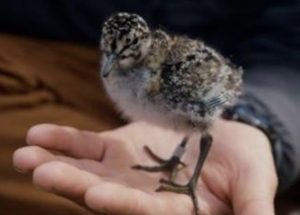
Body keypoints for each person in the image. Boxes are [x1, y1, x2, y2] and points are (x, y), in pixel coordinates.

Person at [3, 0, 299, 214]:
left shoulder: (172, 74)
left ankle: (200, 183)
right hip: (33, 51)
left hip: (256, 76)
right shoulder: (120, 62)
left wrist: (252, 119)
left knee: (199, 131)